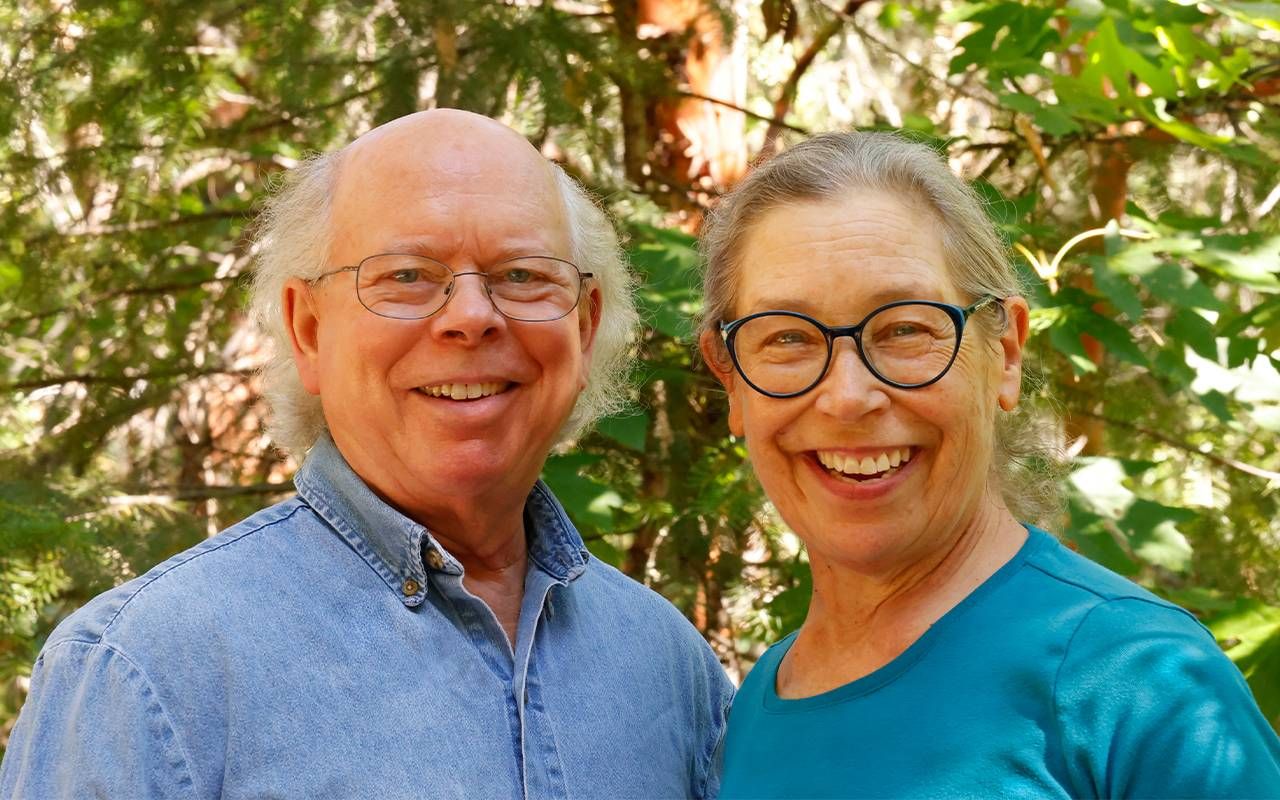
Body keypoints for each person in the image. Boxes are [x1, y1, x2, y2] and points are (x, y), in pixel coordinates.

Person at [1, 110, 733, 798]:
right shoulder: (147, 671)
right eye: (408, 275)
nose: (472, 317)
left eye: (523, 275)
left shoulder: (666, 665)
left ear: (585, 322)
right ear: (308, 328)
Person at [697, 131, 1280, 798]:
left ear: (1004, 354)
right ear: (731, 380)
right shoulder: (755, 710)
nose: (848, 396)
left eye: (905, 328)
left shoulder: (1135, 682)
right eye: (789, 338)